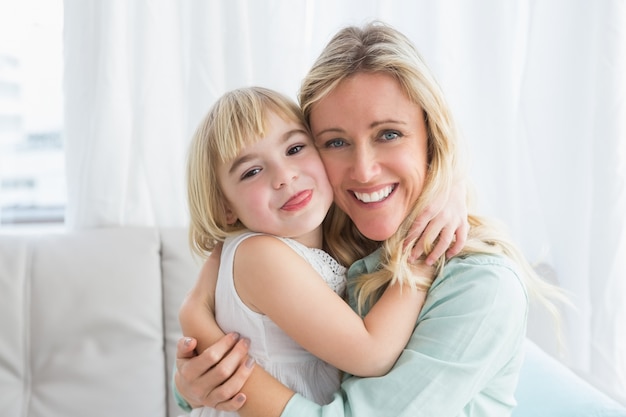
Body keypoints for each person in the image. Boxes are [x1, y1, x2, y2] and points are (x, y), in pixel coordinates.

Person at [175, 21, 563, 417]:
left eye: (389, 134)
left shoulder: (481, 284)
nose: (363, 171)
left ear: (432, 137)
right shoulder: (331, 240)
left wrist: (429, 237)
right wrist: (194, 379)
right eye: (336, 142)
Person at [183, 86, 437, 415]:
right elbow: (372, 354)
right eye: (252, 172)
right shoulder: (259, 255)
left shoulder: (301, 247)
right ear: (225, 208)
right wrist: (421, 256)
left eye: (295, 148)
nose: (285, 176)